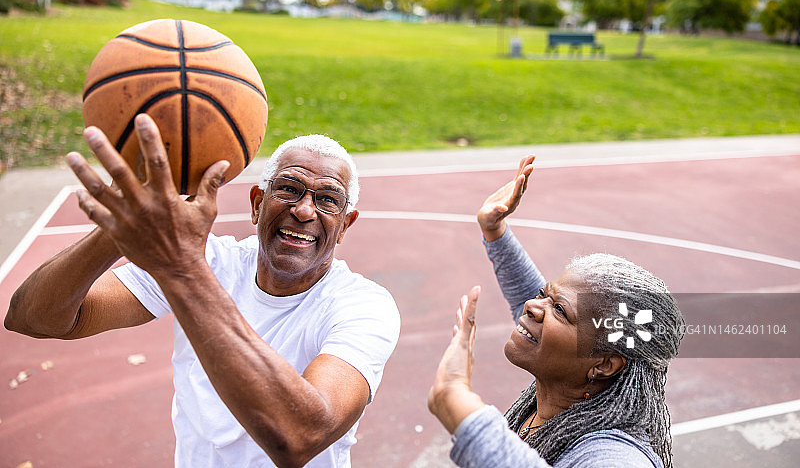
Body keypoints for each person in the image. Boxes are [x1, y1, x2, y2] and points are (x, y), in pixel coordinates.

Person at [4, 115, 401, 468]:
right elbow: (34, 318)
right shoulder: (209, 260)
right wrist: (118, 222)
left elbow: (299, 436)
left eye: (327, 199)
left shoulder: (363, 306)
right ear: (257, 205)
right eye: (290, 189)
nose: (304, 210)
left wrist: (182, 269)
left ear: (345, 225)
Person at [428, 155, 684, 468]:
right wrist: (495, 230)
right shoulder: (566, 388)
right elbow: (555, 311)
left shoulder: (617, 456)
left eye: (559, 310)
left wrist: (455, 400)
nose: (532, 306)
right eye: (543, 295)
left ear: (603, 364)